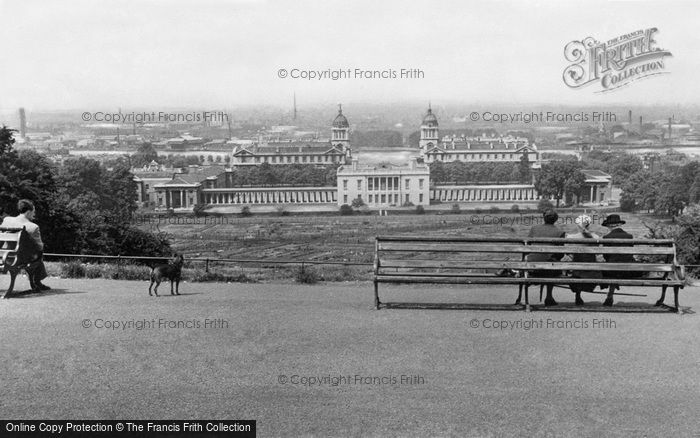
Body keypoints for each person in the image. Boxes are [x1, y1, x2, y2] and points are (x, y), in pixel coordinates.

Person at [0, 199, 51, 291]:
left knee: (32, 253)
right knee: (38, 254)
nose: (34, 214)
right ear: (28, 212)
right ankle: (37, 282)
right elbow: (40, 247)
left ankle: (37, 282)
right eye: (33, 212)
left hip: (3, 255)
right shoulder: (33, 227)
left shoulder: (7, 220)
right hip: (19, 259)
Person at [526, 209, 565, 306]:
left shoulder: (534, 229)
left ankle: (525, 298)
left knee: (550, 262)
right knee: (553, 263)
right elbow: (560, 253)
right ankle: (549, 297)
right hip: (549, 269)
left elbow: (528, 245)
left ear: (544, 218)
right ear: (555, 219)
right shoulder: (560, 232)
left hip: (532, 267)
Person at [601, 214, 641, 306]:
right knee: (617, 265)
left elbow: (606, 256)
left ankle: (610, 295)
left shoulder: (607, 238)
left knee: (610, 266)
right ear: (619, 224)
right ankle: (610, 295)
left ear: (610, 226)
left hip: (612, 271)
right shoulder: (629, 236)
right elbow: (630, 254)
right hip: (629, 271)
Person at [566, 214, 602, 306]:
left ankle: (578, 294)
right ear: (589, 224)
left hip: (577, 271)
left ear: (577, 225)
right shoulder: (596, 237)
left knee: (575, 265)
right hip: (591, 271)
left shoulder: (571, 237)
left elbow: (567, 253)